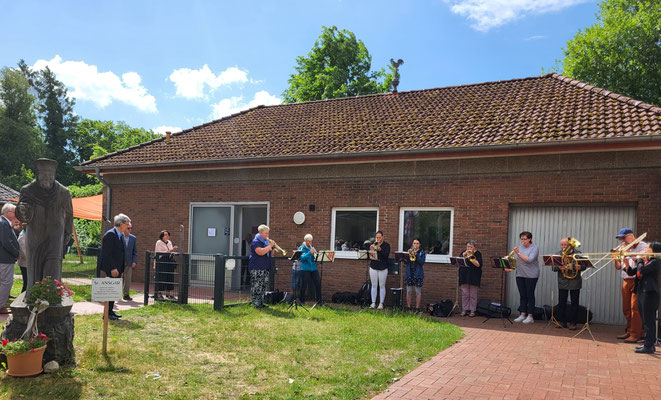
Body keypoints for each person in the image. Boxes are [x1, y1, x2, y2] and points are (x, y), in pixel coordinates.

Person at [15, 158, 73, 291]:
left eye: (50, 174)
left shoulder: (63, 192)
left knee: (53, 269)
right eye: (44, 173)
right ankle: (33, 297)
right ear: (38, 174)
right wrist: (23, 209)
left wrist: (67, 233)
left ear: (54, 175)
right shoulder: (28, 190)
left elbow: (69, 215)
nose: (47, 176)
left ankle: (51, 297)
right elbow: (21, 213)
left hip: (55, 238)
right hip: (35, 237)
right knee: (34, 269)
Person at [623, 242, 660, 353]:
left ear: (653, 250)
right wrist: (626, 262)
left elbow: (641, 270)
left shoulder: (656, 262)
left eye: (648, 247)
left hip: (650, 293)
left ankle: (649, 345)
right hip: (642, 292)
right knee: (645, 320)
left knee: (649, 321)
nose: (645, 248)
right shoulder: (646, 261)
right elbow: (632, 272)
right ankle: (648, 344)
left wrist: (639, 259)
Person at [613, 228, 647, 342]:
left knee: (635, 308)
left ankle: (637, 334)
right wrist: (615, 258)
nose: (622, 240)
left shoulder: (642, 245)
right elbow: (618, 267)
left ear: (631, 236)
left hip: (637, 279)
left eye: (624, 237)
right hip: (625, 279)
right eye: (621, 238)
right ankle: (629, 330)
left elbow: (641, 259)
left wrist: (627, 252)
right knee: (626, 308)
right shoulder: (623, 248)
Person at [101, 213, 131, 320]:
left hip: (118, 269)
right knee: (109, 290)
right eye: (127, 224)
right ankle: (106, 313)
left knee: (113, 291)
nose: (128, 226)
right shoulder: (111, 234)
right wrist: (113, 268)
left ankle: (110, 311)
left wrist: (120, 269)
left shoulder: (119, 235)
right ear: (121, 224)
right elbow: (106, 254)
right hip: (111, 269)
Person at [552, 238, 583, 330]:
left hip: (575, 281)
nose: (563, 247)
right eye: (562, 245)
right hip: (562, 281)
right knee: (562, 303)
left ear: (570, 245)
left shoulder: (578, 253)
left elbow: (585, 266)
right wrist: (559, 268)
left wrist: (580, 267)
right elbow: (553, 268)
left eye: (565, 245)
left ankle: (573, 323)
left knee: (574, 303)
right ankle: (562, 322)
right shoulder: (558, 254)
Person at [513, 231, 540, 324]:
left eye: (525, 239)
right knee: (522, 295)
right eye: (521, 239)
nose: (523, 241)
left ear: (530, 239)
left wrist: (518, 253)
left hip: (531, 275)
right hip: (520, 274)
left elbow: (529, 260)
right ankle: (522, 313)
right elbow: (516, 260)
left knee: (530, 295)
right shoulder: (519, 248)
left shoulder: (534, 248)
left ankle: (530, 316)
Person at [248, 224, 276, 307]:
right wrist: (269, 246)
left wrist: (273, 248)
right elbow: (260, 252)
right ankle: (255, 303)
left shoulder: (266, 242)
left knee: (263, 286)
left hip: (265, 267)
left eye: (268, 233)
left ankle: (261, 303)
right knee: (257, 286)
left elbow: (271, 254)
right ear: (260, 233)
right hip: (256, 267)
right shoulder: (256, 241)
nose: (267, 235)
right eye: (266, 233)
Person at [0, 204, 19, 314]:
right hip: (4, 259)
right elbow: (6, 242)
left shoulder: (5, 223)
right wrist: (16, 253)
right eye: (14, 212)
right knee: (6, 282)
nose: (16, 214)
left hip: (4, 258)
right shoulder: (3, 223)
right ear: (7, 212)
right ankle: (0, 306)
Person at [459, 240, 482, 317]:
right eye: (468, 246)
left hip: (473, 276)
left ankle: (472, 310)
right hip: (464, 275)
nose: (469, 248)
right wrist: (463, 256)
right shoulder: (463, 252)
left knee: (473, 294)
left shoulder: (478, 254)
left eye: (471, 247)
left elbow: (478, 264)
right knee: (465, 294)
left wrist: (470, 257)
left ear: (474, 247)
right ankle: (464, 309)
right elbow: (459, 262)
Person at [299, 234, 322, 306]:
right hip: (305, 269)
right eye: (309, 241)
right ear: (305, 241)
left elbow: (315, 258)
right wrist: (309, 253)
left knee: (318, 283)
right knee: (304, 285)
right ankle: (302, 301)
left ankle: (319, 301)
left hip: (313, 268)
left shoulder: (312, 248)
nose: (310, 243)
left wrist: (316, 256)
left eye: (311, 241)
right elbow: (302, 259)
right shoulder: (301, 248)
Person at [368, 231, 390, 309]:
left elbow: (386, 255)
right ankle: (373, 302)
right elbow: (370, 256)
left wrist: (380, 250)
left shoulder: (386, 245)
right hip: (374, 266)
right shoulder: (374, 244)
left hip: (382, 267)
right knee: (374, 285)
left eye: (380, 237)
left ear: (383, 237)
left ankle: (381, 303)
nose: (378, 239)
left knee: (382, 285)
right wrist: (371, 250)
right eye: (377, 237)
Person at [154, 230, 178, 301]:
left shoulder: (169, 242)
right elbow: (160, 252)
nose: (167, 236)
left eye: (168, 235)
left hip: (169, 261)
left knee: (170, 277)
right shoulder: (159, 242)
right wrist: (171, 250)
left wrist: (173, 250)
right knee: (162, 277)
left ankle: (169, 293)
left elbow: (170, 251)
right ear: (162, 236)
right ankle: (159, 293)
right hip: (162, 261)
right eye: (166, 235)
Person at [405, 238, 426, 310]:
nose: (415, 245)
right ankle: (408, 307)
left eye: (417, 243)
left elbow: (422, 262)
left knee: (418, 291)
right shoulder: (410, 251)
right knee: (409, 291)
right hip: (410, 272)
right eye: (414, 243)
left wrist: (416, 255)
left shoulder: (422, 252)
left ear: (419, 244)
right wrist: (407, 255)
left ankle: (417, 308)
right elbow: (406, 262)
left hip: (418, 273)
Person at [122, 222, 138, 301]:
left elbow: (135, 252)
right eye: (128, 228)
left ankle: (126, 294)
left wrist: (134, 261)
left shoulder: (133, 238)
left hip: (129, 262)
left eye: (131, 228)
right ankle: (116, 294)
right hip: (119, 261)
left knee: (128, 278)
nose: (130, 230)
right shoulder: (119, 237)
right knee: (118, 278)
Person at [17, 223, 28, 294]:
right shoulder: (22, 237)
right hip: (25, 263)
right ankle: (22, 296)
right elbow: (24, 252)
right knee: (26, 282)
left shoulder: (26, 235)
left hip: (27, 263)